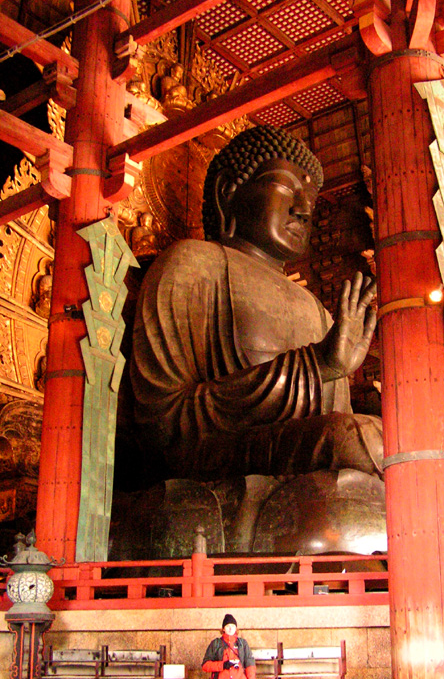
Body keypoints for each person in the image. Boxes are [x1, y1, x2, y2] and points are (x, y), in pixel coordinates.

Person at [131, 125, 381, 483]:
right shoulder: (192, 264)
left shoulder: (317, 310)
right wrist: (316, 366)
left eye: (310, 197)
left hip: (299, 458)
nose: (304, 210)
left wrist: (328, 371)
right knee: (351, 441)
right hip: (211, 460)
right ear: (227, 192)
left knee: (386, 441)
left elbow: (330, 421)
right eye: (287, 188)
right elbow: (163, 426)